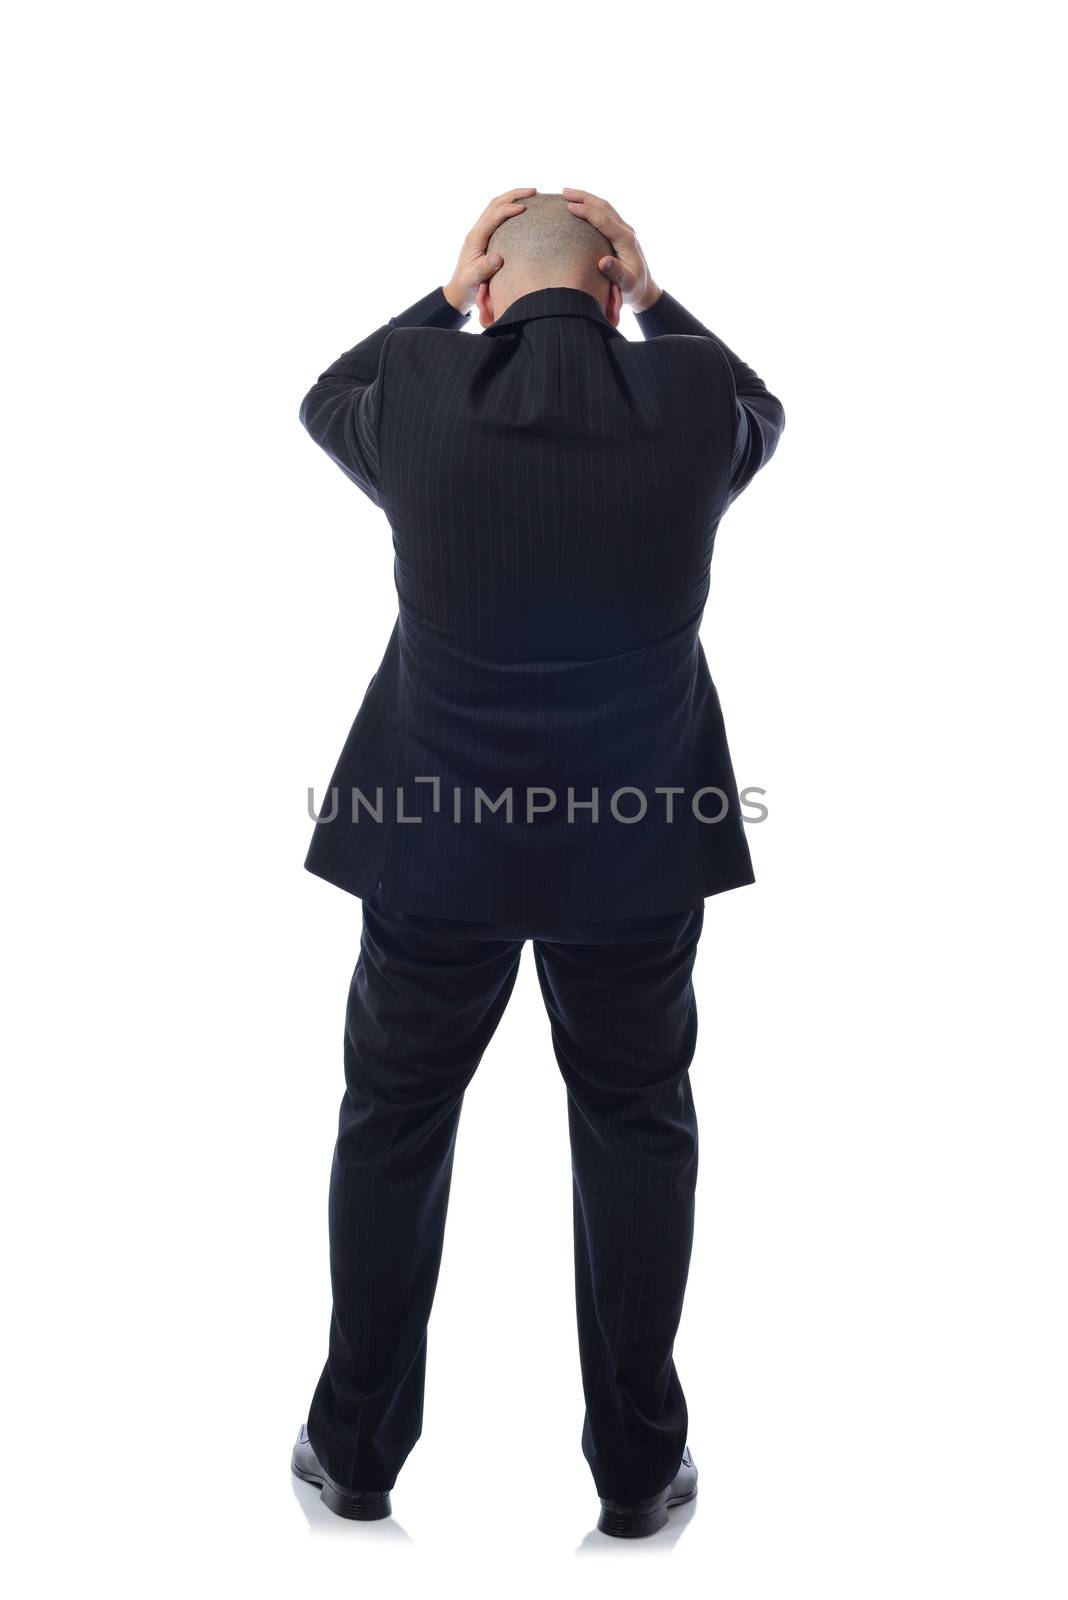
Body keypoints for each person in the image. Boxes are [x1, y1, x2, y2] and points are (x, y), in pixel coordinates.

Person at [291, 188, 785, 1537]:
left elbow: (321, 395)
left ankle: (355, 1453)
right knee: (635, 1126)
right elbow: (764, 410)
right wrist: (656, 294)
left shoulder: (419, 388)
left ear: (497, 288)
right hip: (631, 859)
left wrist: (449, 293)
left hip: (435, 854)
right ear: (612, 284)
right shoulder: (687, 406)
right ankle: (636, 1474)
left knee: (392, 1124)